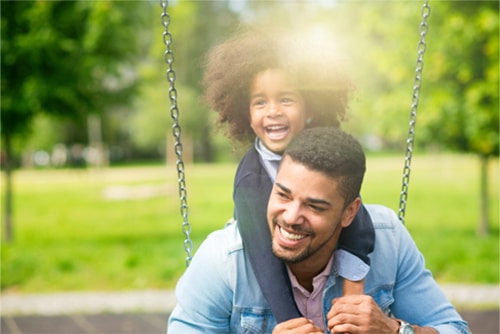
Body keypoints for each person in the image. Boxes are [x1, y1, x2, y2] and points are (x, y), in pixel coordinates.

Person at [168, 127, 469, 333]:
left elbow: (454, 329)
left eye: (314, 206)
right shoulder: (224, 261)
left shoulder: (388, 240)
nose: (291, 217)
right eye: (282, 195)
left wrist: (394, 329)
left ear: (349, 212)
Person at [202, 28, 375, 322]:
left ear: (310, 107)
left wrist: (353, 290)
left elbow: (357, 220)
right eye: (260, 102)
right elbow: (263, 258)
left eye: (285, 100)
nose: (272, 111)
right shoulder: (250, 181)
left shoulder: (326, 156)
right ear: (246, 112)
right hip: (270, 263)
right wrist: (290, 321)